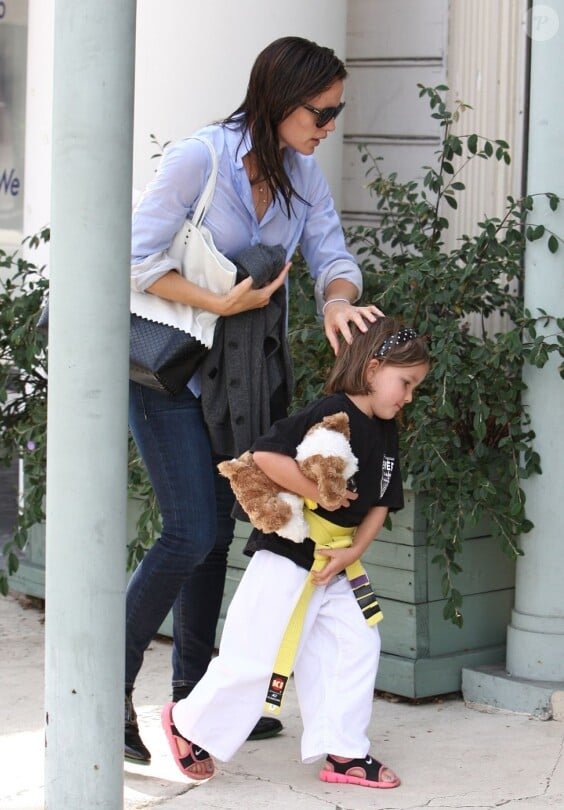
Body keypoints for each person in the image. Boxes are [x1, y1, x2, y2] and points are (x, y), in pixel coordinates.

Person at [125, 35, 384, 763]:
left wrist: (337, 302)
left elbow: (334, 256)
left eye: (336, 112)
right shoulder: (200, 159)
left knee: (212, 544)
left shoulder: (301, 173)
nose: (329, 125)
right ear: (279, 100)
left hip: (241, 383)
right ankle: (100, 694)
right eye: (321, 112)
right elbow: (133, 259)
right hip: (168, 371)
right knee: (189, 533)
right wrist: (219, 301)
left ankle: (197, 707)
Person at [162, 317, 430, 787]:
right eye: (405, 384)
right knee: (255, 653)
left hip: (337, 564)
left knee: (355, 644)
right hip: (287, 555)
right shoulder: (333, 411)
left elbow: (382, 505)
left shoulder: (386, 432)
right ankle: (189, 726)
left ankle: (344, 752)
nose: (407, 397)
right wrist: (316, 489)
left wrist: (353, 554)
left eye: (414, 389)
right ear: (372, 369)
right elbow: (265, 456)